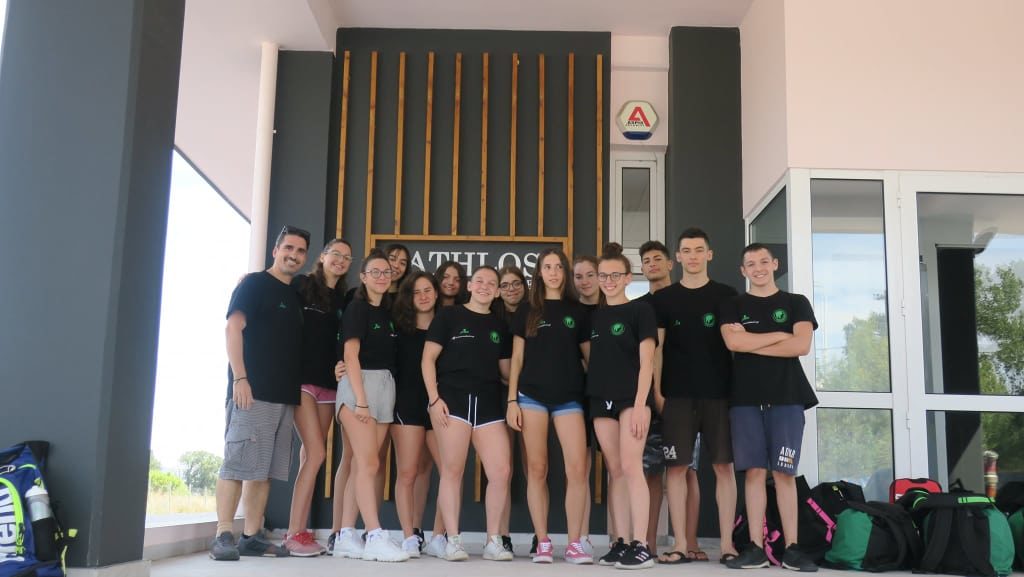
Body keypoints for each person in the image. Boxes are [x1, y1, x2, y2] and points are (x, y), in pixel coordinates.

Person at [211, 225, 310, 561]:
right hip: (251, 392)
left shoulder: (295, 295)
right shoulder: (254, 284)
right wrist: (240, 378)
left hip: (283, 396)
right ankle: (223, 534)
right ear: (275, 250)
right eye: (288, 248)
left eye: (300, 251)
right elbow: (233, 327)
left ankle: (251, 536)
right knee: (237, 464)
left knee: (263, 469)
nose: (293, 255)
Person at [720, 242, 819, 572]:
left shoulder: (796, 302)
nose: (758, 268)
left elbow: (801, 345)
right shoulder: (733, 305)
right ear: (743, 270)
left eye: (764, 261)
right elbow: (734, 342)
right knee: (754, 472)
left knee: (784, 472)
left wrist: (753, 342)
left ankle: (792, 548)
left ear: (775, 264)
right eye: (751, 264)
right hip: (745, 400)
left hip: (787, 398)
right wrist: (780, 335)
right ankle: (755, 547)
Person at [651, 229, 739, 564]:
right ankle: (680, 544)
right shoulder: (664, 299)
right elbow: (657, 349)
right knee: (675, 470)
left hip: (719, 394)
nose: (692, 256)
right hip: (677, 396)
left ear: (709, 254)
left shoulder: (726, 295)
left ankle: (727, 545)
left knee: (723, 468)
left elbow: (735, 347)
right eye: (686, 250)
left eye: (698, 250)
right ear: (677, 257)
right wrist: (658, 391)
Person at [506, 248, 593, 564]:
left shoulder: (578, 311)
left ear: (565, 272)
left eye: (558, 267)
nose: (553, 272)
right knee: (537, 469)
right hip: (531, 397)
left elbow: (591, 359)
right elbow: (517, 359)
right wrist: (512, 400)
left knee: (577, 470)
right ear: (539, 273)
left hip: (570, 398)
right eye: (548, 267)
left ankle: (574, 543)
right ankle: (542, 541)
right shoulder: (527, 310)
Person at [422, 266, 513, 562]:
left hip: (488, 404)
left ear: (497, 292)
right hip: (453, 401)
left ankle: (493, 541)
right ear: (470, 286)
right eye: (480, 281)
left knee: (500, 472)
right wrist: (434, 399)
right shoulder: (449, 316)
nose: (485, 286)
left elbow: (506, 372)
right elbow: (428, 359)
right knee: (452, 470)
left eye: (491, 283)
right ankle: (452, 540)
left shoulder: (500, 326)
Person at [331, 250, 408, 562]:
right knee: (369, 464)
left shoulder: (389, 312)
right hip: (359, 387)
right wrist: (361, 401)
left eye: (386, 272)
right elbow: (350, 355)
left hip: (385, 388)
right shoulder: (357, 308)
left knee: (362, 465)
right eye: (374, 271)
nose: (381, 276)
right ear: (363, 277)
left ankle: (346, 535)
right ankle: (374, 534)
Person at [589, 243, 658, 570]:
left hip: (632, 399)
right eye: (603, 276)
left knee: (632, 467)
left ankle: (641, 545)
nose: (609, 281)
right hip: (599, 399)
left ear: (628, 277)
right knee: (615, 470)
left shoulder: (640, 311)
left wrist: (642, 404)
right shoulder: (595, 316)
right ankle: (620, 541)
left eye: (615, 275)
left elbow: (647, 363)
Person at [283, 238, 352, 556]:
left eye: (347, 257)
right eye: (335, 253)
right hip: (302, 382)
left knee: (310, 457)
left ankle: (301, 530)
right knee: (316, 454)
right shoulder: (301, 285)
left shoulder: (343, 299)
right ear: (322, 257)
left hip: (330, 386)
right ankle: (293, 533)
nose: (341, 260)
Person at [390, 271, 441, 558]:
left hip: (438, 406)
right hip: (406, 405)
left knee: (445, 472)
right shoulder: (399, 329)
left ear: (436, 293)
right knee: (408, 471)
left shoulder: (445, 326)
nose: (423, 296)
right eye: (416, 292)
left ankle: (438, 535)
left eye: (427, 290)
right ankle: (410, 536)